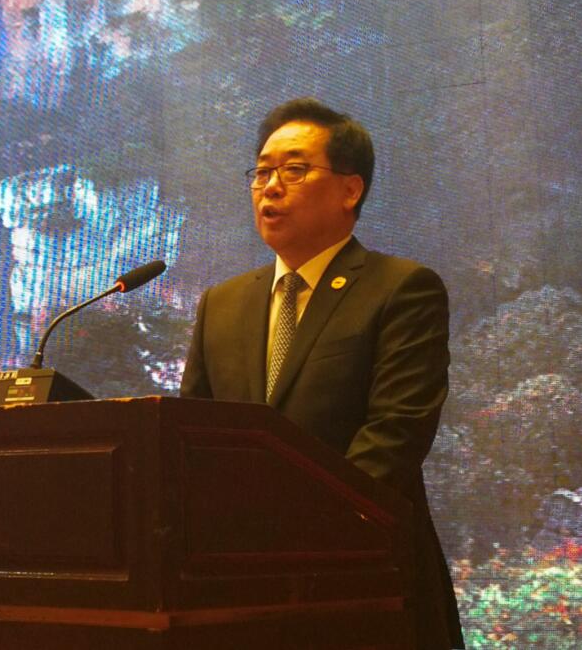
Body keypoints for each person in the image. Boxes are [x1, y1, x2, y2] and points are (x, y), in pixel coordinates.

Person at [180, 97, 465, 649]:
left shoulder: (401, 289)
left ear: (350, 190)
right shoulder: (222, 303)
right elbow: (195, 438)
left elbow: (395, 435)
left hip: (362, 582)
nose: (270, 187)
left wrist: (295, 538)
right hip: (239, 592)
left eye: (293, 170)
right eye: (261, 172)